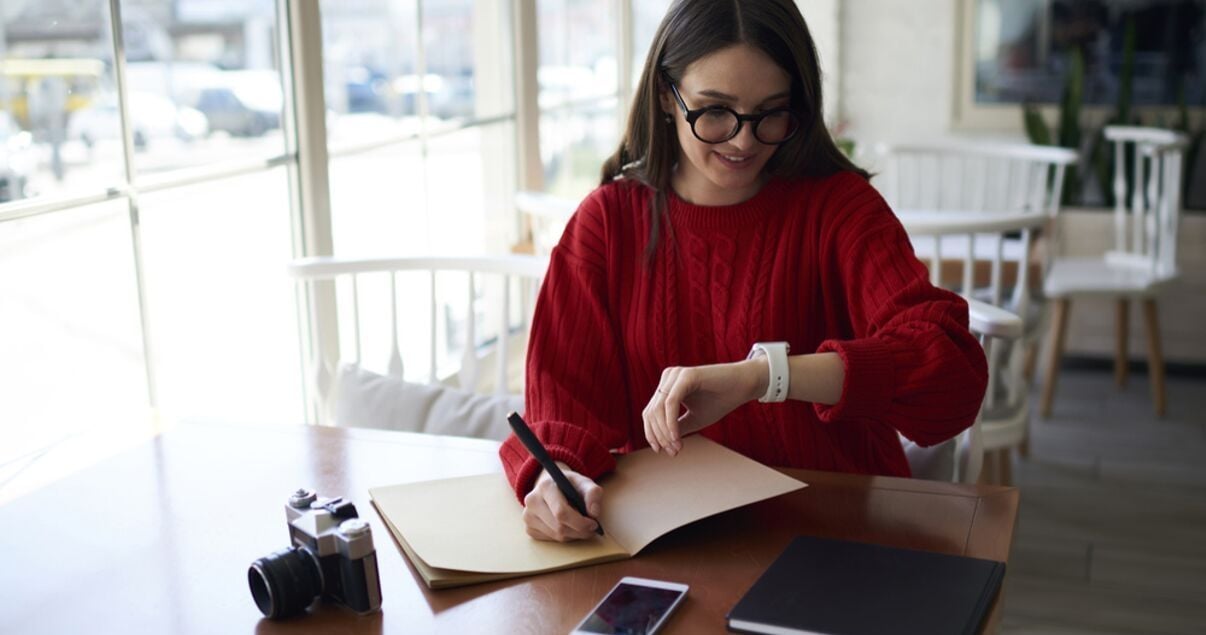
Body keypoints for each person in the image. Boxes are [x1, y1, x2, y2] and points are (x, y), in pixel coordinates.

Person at [499, 0, 988, 542]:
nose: (743, 140)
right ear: (666, 94)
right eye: (715, 111)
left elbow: (953, 376)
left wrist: (764, 377)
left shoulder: (840, 209)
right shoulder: (607, 224)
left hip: (841, 531)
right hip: (677, 543)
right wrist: (555, 476)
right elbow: (562, 411)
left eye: (770, 112)